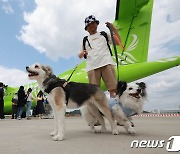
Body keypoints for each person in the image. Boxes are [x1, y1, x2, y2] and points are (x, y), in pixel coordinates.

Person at [79, 15, 122, 98]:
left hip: (107, 63)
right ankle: (98, 110)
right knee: (94, 92)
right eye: (89, 24)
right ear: (86, 28)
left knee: (113, 89)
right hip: (92, 67)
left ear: (97, 24)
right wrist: (83, 53)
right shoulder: (84, 40)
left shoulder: (104, 34)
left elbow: (118, 42)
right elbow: (80, 56)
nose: (92, 25)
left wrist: (113, 28)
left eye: (93, 23)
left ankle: (115, 108)